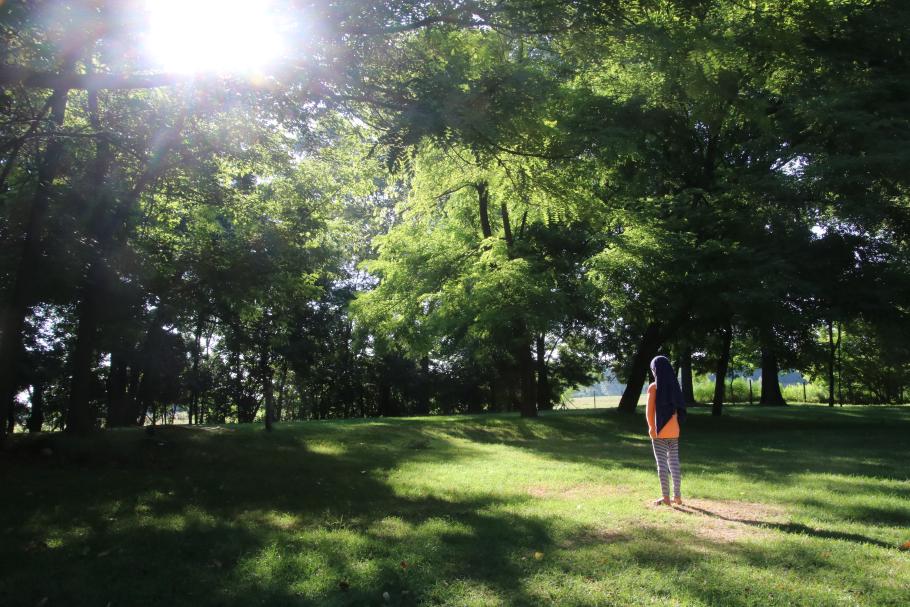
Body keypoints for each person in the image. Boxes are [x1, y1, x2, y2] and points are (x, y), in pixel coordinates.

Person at [646, 355, 687, 506]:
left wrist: (651, 427)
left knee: (662, 464)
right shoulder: (675, 386)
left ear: (655, 370)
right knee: (674, 463)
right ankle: (678, 497)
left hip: (659, 431)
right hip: (674, 430)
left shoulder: (654, 387)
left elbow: (649, 412)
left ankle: (666, 498)